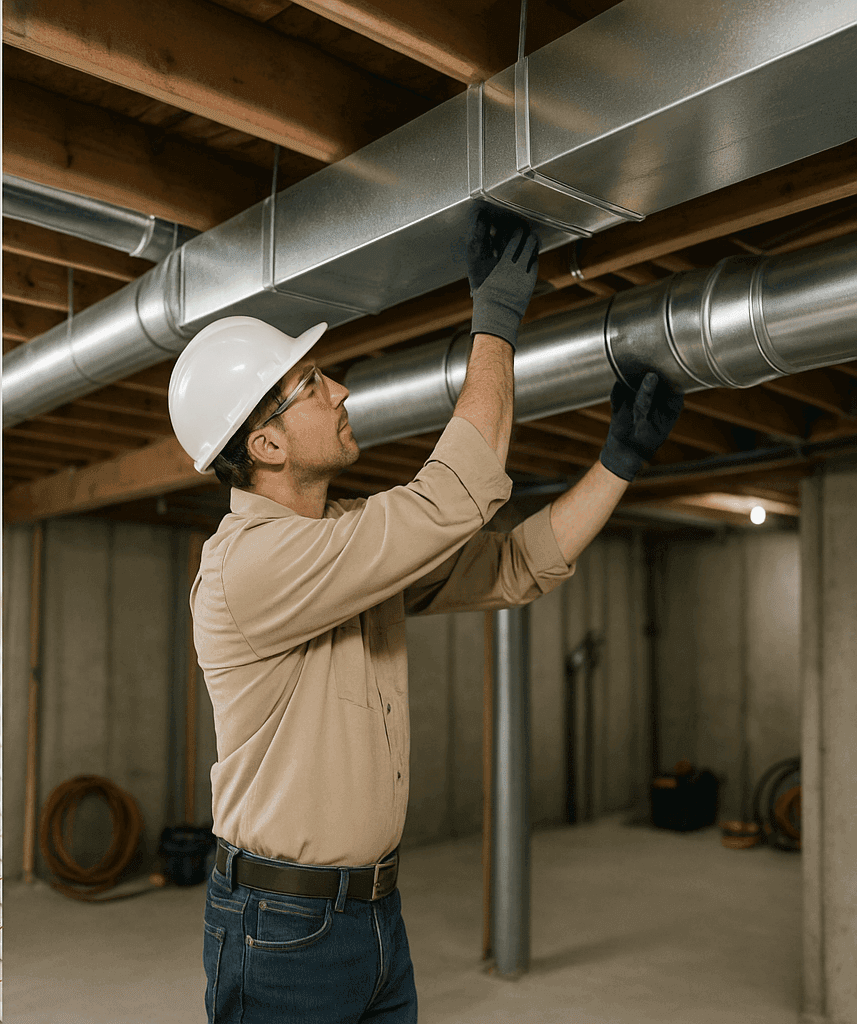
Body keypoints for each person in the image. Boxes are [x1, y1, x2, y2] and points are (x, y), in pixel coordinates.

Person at [167, 205, 684, 1023]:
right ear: (264, 445)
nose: (339, 389)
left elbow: (512, 566)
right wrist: (496, 320)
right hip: (283, 929)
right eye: (311, 385)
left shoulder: (337, 545)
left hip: (371, 914)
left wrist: (618, 462)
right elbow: (454, 495)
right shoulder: (251, 568)